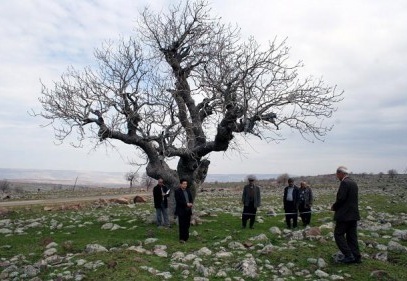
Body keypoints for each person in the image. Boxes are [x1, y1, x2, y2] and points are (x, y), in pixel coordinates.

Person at [331, 166, 361, 264]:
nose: (337, 176)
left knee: (338, 234)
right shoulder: (353, 183)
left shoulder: (344, 183)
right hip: (353, 215)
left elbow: (341, 198)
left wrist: (334, 207)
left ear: (340, 173)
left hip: (344, 215)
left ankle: (348, 255)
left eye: (337, 174)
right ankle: (357, 257)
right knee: (352, 237)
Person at [174, 178, 194, 243]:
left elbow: (191, 198)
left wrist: (191, 203)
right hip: (181, 210)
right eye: (184, 184)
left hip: (188, 210)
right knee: (182, 224)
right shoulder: (177, 191)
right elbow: (178, 201)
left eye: (186, 184)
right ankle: (182, 238)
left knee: (187, 224)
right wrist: (186, 204)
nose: (185, 185)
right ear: (180, 184)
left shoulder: (188, 191)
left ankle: (186, 237)